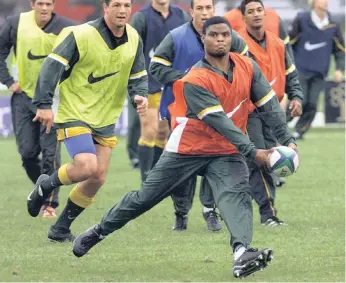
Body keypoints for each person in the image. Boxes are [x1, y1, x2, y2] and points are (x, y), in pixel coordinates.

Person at [72, 17, 299, 279]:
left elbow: (269, 108)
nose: (220, 39)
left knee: (236, 196)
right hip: (188, 149)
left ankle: (241, 254)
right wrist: (254, 152)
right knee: (144, 199)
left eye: (225, 35)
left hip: (227, 151)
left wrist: (288, 140)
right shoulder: (195, 78)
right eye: (213, 35)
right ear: (203, 39)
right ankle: (100, 230)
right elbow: (221, 123)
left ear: (232, 39)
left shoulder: (248, 66)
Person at [26, 0, 148, 243]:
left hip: (105, 115)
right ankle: (45, 186)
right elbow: (51, 67)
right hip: (74, 110)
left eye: (126, 5)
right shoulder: (79, 35)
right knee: (86, 167)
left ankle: (60, 229)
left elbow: (138, 74)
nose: (122, 10)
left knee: (97, 178)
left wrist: (139, 95)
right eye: (116, 5)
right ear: (105, 7)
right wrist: (43, 104)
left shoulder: (134, 37)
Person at [150, 0, 248, 232]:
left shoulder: (229, 36)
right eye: (200, 8)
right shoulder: (175, 36)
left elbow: (246, 64)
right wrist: (186, 77)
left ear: (214, 10)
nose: (205, 12)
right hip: (181, 113)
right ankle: (181, 212)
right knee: (183, 167)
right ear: (191, 11)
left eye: (209, 8)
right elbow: (156, 67)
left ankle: (210, 210)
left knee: (216, 161)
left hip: (219, 112)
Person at [0, 0, 76, 218]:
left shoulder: (67, 28)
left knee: (50, 153)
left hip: (54, 99)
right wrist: (8, 82)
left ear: (54, 6)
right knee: (27, 154)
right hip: (24, 98)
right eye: (40, 3)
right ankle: (42, 189)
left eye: (49, 3)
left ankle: (50, 205)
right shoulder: (15, 24)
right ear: (32, 4)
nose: (45, 8)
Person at [237, 0, 303, 226]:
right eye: (250, 12)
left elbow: (291, 73)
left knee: (267, 159)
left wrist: (296, 97)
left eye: (259, 11)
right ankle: (268, 213)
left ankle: (262, 209)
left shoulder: (278, 43)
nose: (256, 15)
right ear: (243, 17)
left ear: (265, 14)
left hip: (275, 111)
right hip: (250, 111)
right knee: (260, 159)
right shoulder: (237, 43)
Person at [130, 0, 190, 183]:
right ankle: (145, 182)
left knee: (163, 134)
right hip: (148, 84)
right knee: (149, 131)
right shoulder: (141, 17)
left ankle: (155, 179)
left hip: (171, 84)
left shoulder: (181, 16)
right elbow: (132, 49)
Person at [289, 0, 345, 140]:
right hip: (300, 70)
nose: (325, 2)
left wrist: (339, 69)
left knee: (312, 104)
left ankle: (298, 132)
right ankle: (278, 128)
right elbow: (289, 43)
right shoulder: (302, 19)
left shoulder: (333, 24)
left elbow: (340, 50)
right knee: (299, 101)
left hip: (320, 73)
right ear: (313, 2)